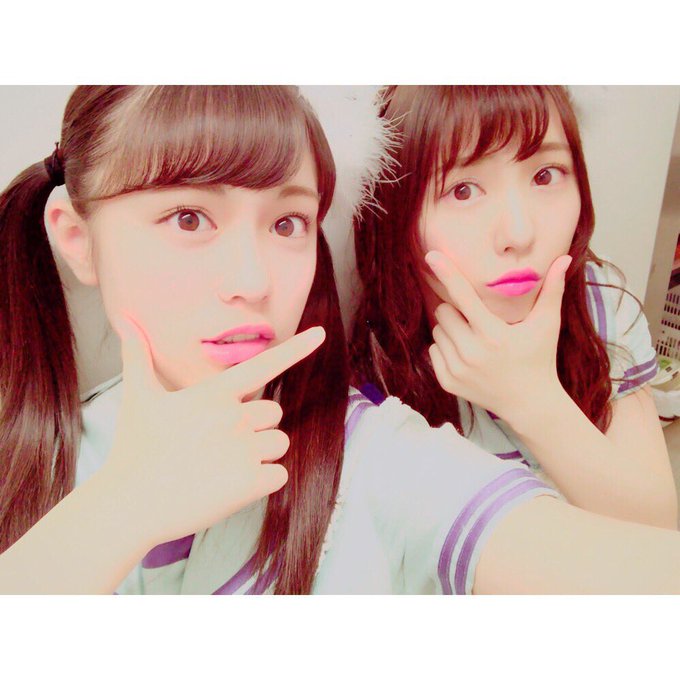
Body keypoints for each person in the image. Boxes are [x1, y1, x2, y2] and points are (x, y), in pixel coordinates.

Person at [1, 85, 679, 596]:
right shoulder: (30, 445)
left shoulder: (374, 452)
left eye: (288, 223)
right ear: (76, 238)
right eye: (188, 218)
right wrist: (118, 512)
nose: (252, 281)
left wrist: (534, 400)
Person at [351, 85, 677, 529]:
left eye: (545, 175)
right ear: (394, 212)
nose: (520, 234)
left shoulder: (600, 302)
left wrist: (530, 399)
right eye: (463, 190)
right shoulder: (368, 384)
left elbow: (656, 533)